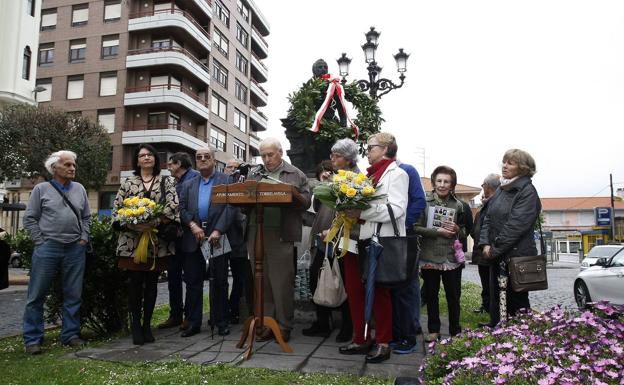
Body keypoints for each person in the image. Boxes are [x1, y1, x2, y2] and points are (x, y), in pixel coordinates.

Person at [340, 132, 409, 363]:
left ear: (386, 148)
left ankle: (383, 343)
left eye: (371, 147)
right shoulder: (372, 176)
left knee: (380, 293)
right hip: (366, 239)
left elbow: (397, 209)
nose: (366, 152)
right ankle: (363, 338)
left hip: (384, 241)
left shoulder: (397, 174)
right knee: (364, 292)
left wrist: (361, 212)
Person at [23, 150, 91, 354]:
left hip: (75, 249)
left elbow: (87, 217)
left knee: (73, 294)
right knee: (36, 295)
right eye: (68, 165)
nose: (72, 168)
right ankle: (33, 340)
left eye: (74, 165)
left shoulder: (79, 189)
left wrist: (83, 238)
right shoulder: (41, 189)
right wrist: (40, 241)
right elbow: (30, 218)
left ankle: (70, 335)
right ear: (54, 168)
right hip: (48, 248)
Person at [112, 144, 179, 345]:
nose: (147, 158)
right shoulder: (128, 183)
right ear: (137, 160)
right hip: (131, 243)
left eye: (150, 154)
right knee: (134, 285)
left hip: (156, 244)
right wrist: (134, 224)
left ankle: (147, 325)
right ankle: (135, 327)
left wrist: (154, 223)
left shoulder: (166, 181)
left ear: (155, 159)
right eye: (142, 155)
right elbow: (117, 208)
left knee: (151, 285)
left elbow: (173, 206)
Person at [249, 137, 311, 343]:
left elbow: (306, 202)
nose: (266, 159)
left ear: (280, 153)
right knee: (262, 280)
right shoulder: (255, 173)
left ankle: (284, 325)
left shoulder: (295, 174)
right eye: (263, 155)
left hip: (281, 234)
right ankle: (267, 323)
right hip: (255, 232)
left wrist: (292, 194)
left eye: (270, 154)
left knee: (281, 281)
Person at [303, 139, 357, 342]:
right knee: (317, 280)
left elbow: (350, 213)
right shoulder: (332, 182)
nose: (332, 159)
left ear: (348, 158)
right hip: (321, 238)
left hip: (341, 239)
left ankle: (347, 326)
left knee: (341, 281)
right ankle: (322, 323)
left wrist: (335, 231)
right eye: (332, 155)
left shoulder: (353, 180)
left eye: (336, 156)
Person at [480, 149, 541, 326]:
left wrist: (494, 248)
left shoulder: (527, 192)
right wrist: (485, 243)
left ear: (522, 168)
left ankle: (521, 340)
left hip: (517, 256)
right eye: (504, 161)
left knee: (517, 301)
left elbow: (515, 227)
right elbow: (488, 217)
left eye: (510, 163)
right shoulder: (501, 189)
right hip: (496, 254)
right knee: (496, 295)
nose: (504, 165)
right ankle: (497, 328)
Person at [178, 147, 234, 337]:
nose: (202, 160)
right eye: (198, 157)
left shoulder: (226, 181)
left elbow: (231, 207)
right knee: (193, 282)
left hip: (217, 236)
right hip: (194, 237)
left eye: (206, 157)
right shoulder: (188, 185)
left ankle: (221, 321)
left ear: (214, 160)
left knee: (219, 281)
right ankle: (193, 323)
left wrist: (218, 229)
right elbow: (182, 209)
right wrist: (193, 226)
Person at [414, 165, 466, 342]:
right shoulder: (424, 203)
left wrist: (458, 229)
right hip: (429, 256)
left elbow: (466, 232)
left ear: (452, 185)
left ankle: (455, 331)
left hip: (451, 257)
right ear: (434, 182)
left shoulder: (459, 205)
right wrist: (437, 232)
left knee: (454, 296)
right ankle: (433, 330)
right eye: (439, 181)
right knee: (431, 295)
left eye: (446, 181)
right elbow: (415, 228)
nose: (442, 185)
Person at [158, 152, 200, 330]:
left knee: (192, 279)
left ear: (179, 163)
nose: (168, 167)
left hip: (191, 235)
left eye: (170, 164)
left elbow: (191, 206)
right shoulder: (171, 181)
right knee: (173, 277)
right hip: (173, 238)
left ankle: (190, 318)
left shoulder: (196, 178)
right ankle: (175, 315)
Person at [392, 159, 426, 354]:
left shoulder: (407, 170)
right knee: (395, 285)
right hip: (388, 236)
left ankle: (412, 327)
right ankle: (399, 329)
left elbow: (419, 200)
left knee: (408, 284)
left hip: (404, 235)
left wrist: (404, 225)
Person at [223, 158, 252, 325]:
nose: (233, 171)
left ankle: (234, 311)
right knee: (219, 279)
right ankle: (221, 311)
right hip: (221, 239)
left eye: (236, 168)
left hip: (239, 244)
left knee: (239, 279)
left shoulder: (244, 186)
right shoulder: (222, 186)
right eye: (229, 167)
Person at [471, 174, 500, 315]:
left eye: (483, 186)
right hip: (480, 253)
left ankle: (492, 309)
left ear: (488, 186)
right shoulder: (482, 209)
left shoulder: (494, 205)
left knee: (492, 284)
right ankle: (487, 306)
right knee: (485, 283)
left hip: (489, 252)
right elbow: (475, 229)